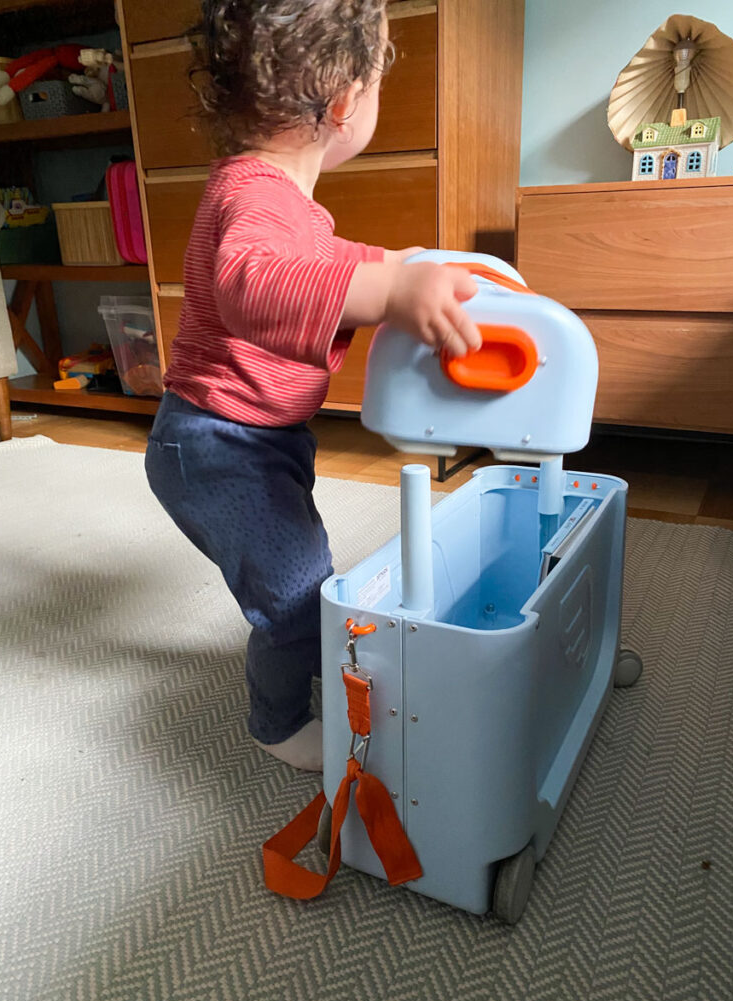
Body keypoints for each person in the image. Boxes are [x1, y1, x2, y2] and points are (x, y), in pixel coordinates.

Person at [145, 0, 481, 772]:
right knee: (297, 598)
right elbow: (252, 284)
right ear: (343, 101)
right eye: (379, 81)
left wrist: (393, 267)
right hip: (214, 444)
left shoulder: (280, 198)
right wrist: (389, 294)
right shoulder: (255, 195)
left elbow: (322, 252)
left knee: (303, 567)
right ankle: (276, 723)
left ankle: (312, 663)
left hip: (258, 437)